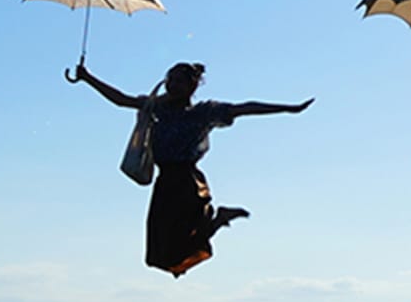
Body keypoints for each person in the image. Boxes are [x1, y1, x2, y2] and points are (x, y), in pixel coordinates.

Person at [70, 60, 311, 276]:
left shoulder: (203, 112)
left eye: (178, 82)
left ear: (192, 86)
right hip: (164, 183)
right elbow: (122, 100)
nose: (171, 86)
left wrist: (289, 108)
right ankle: (219, 219)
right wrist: (87, 77)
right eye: (169, 80)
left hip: (188, 183)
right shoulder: (157, 108)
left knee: (181, 245)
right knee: (159, 255)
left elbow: (245, 107)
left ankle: (218, 220)